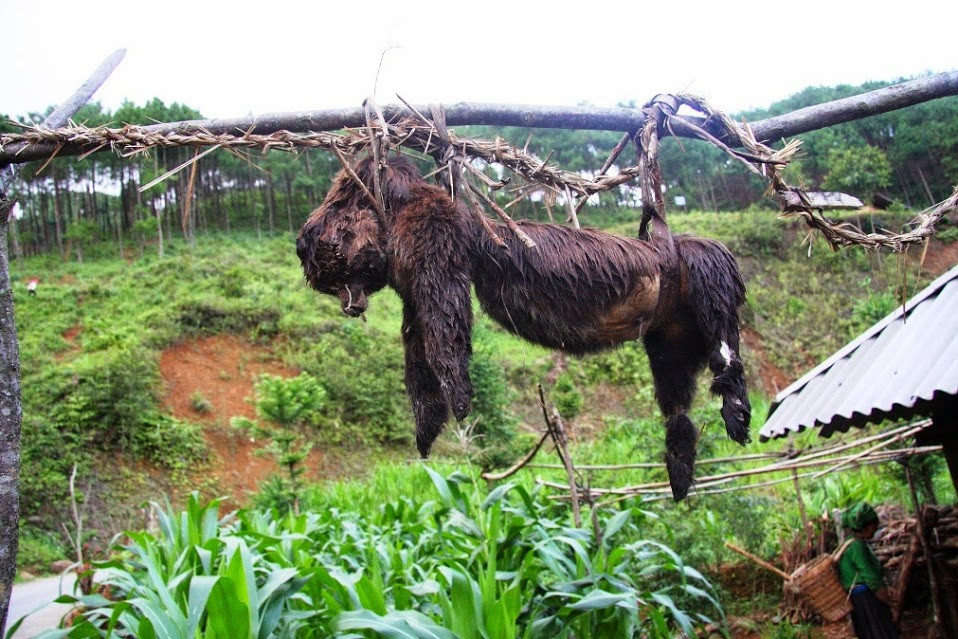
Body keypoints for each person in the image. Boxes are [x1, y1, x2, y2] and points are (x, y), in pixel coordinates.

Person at [838, 502, 899, 639]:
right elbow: (872, 580)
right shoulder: (857, 546)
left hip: (861, 601)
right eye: (874, 526)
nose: (875, 529)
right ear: (867, 526)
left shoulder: (851, 543)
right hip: (866, 601)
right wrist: (891, 604)